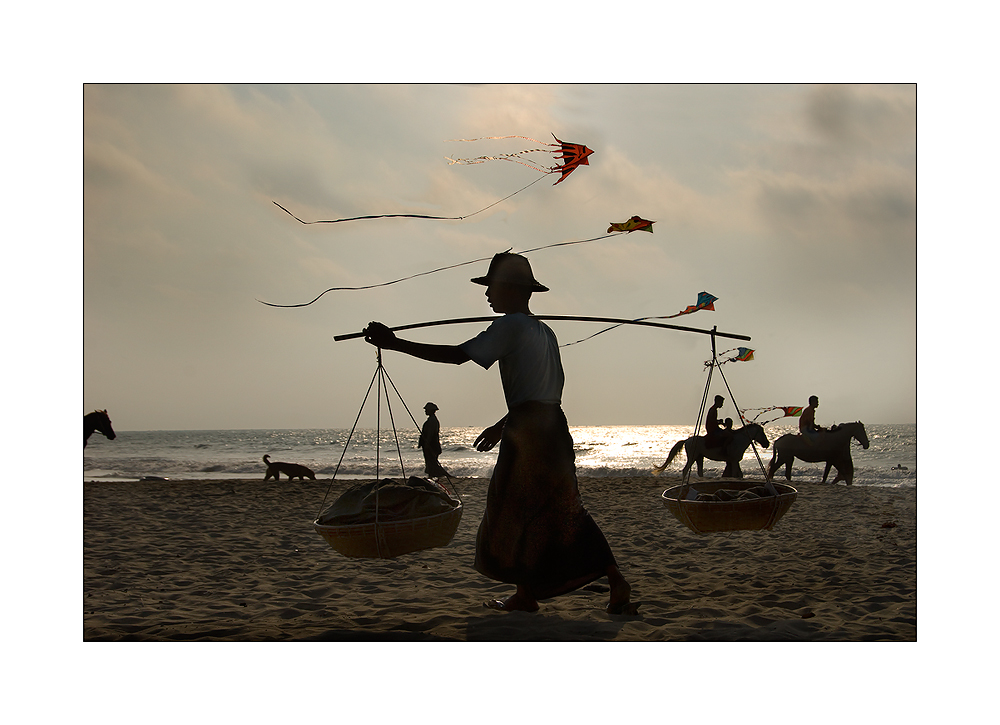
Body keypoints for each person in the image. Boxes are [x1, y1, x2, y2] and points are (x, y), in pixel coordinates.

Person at [362, 252, 636, 615]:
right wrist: (503, 423)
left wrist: (394, 343)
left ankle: (528, 594)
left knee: (509, 509)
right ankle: (610, 580)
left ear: (510, 289)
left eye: (491, 287)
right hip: (551, 426)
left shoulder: (510, 326)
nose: (487, 294)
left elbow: (459, 355)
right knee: (562, 507)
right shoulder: (544, 331)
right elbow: (544, 395)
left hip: (530, 433)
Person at [418, 402, 449, 479]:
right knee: (430, 462)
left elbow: (431, 434)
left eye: (426, 409)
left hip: (432, 444)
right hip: (431, 444)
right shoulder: (431, 420)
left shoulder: (432, 421)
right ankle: (431, 476)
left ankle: (437, 475)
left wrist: (427, 443)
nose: (425, 411)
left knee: (432, 462)